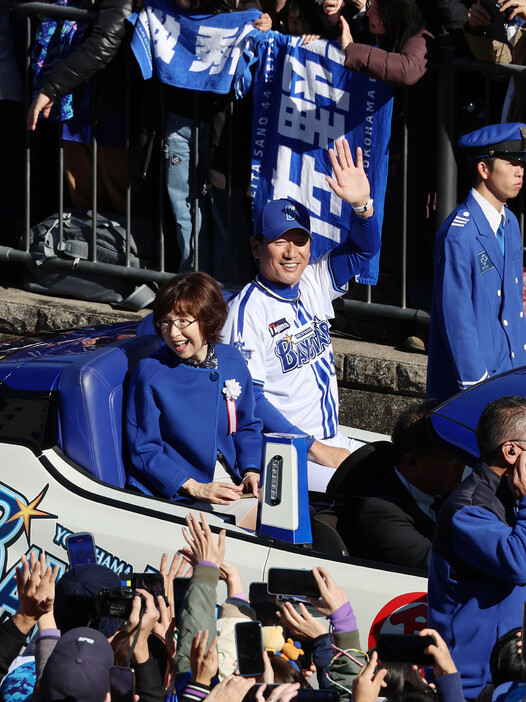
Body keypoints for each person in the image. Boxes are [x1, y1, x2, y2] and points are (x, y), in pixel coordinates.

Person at [221, 139, 381, 491]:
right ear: (256, 246)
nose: (292, 253)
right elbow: (251, 400)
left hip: (330, 441)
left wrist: (362, 207)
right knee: (378, 490)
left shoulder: (312, 281)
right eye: (280, 241)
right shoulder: (247, 312)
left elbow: (363, 250)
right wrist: (318, 449)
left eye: (300, 240)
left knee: (400, 465)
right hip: (289, 454)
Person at [126, 271, 263, 530]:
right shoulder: (151, 374)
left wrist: (251, 470)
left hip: (232, 478)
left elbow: (247, 426)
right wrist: (196, 488)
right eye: (165, 322)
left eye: (183, 321)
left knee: (291, 510)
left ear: (208, 319)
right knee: (265, 525)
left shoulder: (232, 361)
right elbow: (144, 450)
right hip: (179, 490)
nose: (173, 333)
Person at [428, 395, 526, 700]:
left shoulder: (513, 498)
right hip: (472, 686)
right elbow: (518, 562)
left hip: (511, 678)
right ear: (511, 451)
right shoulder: (467, 509)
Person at [427, 123, 526, 401]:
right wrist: (476, 388)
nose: (520, 170)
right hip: (477, 385)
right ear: (484, 169)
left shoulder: (510, 224)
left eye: (522, 162)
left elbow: (513, 304)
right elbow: (456, 318)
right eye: (511, 162)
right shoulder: (459, 234)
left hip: (511, 371)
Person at [343, 400, 465, 570]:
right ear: (412, 461)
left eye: (461, 453)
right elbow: (445, 566)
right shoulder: (381, 514)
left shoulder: (442, 492)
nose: (461, 464)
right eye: (449, 458)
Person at [338, 0, 434, 87]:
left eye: (375, 10)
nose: (368, 13)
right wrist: (334, 16)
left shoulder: (422, 36)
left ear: (394, 15)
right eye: (369, 5)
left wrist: (351, 49)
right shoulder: (378, 25)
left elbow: (408, 70)